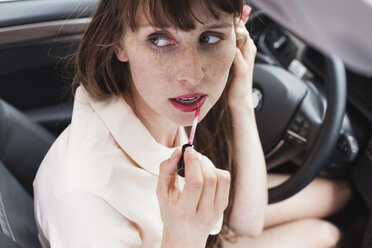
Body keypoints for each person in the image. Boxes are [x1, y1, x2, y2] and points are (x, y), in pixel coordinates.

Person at [33, 0, 351, 247]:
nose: (193, 75)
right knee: (323, 235)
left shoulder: (158, 106)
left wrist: (240, 98)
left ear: (237, 36)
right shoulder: (86, 200)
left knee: (340, 193)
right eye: (159, 40)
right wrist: (184, 238)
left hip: (198, 233)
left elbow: (247, 222)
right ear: (119, 43)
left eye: (210, 37)